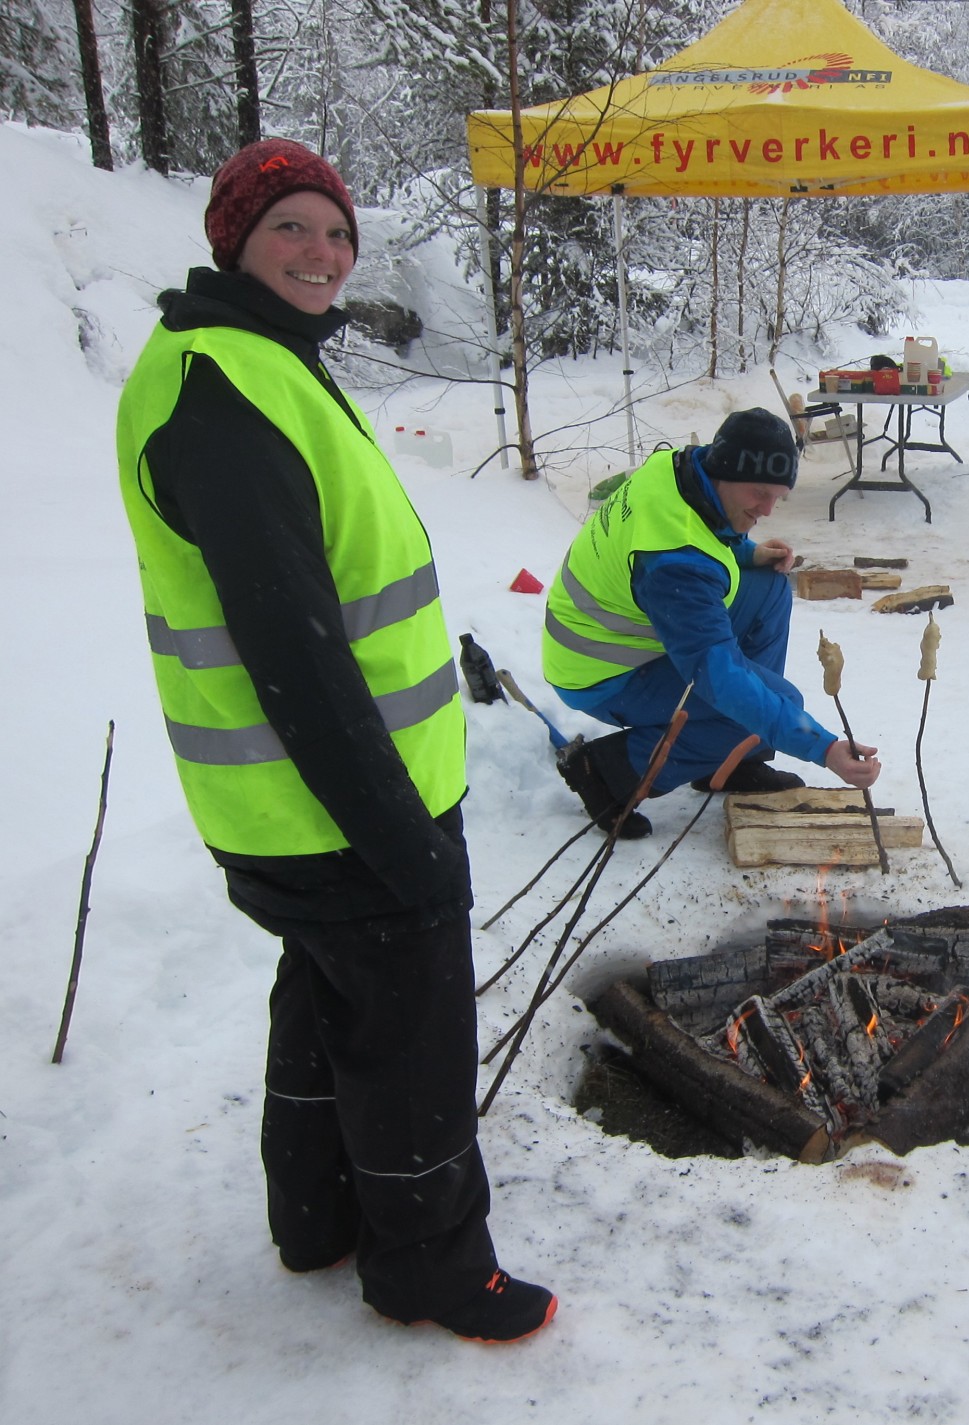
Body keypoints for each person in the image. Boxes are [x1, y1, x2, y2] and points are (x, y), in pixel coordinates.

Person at [114, 139, 554, 1341]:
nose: (322, 253)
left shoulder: (251, 361)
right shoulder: (223, 394)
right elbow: (293, 649)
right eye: (291, 230)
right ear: (233, 241)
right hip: (339, 805)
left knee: (328, 999)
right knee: (410, 1037)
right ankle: (431, 1270)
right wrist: (399, 836)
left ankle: (315, 1218)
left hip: (297, 807)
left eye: (336, 232)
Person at [543, 409, 881, 836]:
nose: (768, 509)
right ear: (726, 470)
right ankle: (608, 772)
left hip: (622, 632)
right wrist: (825, 748)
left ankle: (733, 757)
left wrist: (745, 552)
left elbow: (700, 530)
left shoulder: (684, 470)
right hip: (600, 670)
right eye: (760, 493)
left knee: (769, 584)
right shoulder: (673, 565)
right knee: (771, 702)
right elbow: (719, 678)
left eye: (778, 496)